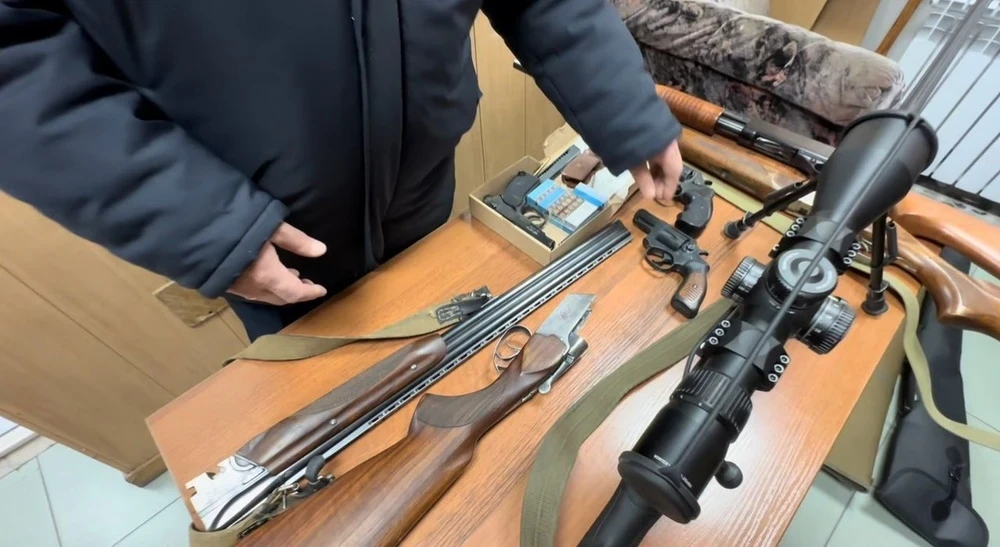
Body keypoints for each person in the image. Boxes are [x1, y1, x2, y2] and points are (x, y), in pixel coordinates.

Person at [0, 1, 683, 341]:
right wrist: (200, 228)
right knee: (323, 412)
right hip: (261, 240)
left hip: (422, 192)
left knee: (443, 342)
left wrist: (619, 107)